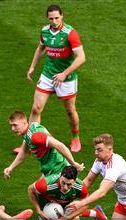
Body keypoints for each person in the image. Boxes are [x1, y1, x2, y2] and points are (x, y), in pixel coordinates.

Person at [26, 4, 86, 153]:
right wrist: (32, 66)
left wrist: (64, 73)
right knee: (36, 108)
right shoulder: (45, 31)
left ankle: (75, 137)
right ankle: (30, 142)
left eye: (57, 18)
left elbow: (81, 57)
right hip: (48, 75)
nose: (54, 21)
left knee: (70, 111)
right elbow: (40, 48)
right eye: (51, 18)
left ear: (62, 16)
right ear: (47, 18)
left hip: (66, 78)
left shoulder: (70, 33)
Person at [4, 110, 84, 179]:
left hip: (56, 167)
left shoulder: (35, 136)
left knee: (35, 191)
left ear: (24, 123)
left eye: (15, 125)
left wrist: (73, 163)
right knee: (36, 191)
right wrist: (11, 167)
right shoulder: (28, 132)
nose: (13, 129)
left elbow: (59, 145)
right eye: (11, 125)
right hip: (49, 167)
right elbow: (24, 152)